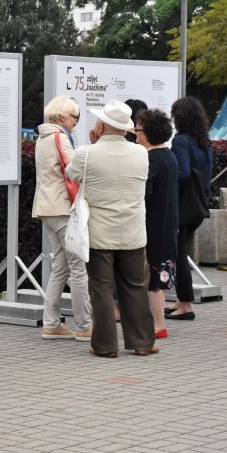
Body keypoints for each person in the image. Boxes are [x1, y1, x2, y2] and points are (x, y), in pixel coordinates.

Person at [66, 99, 155, 357]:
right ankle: (142, 343)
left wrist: (93, 145)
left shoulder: (86, 153)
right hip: (133, 231)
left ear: (102, 125)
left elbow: (71, 175)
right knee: (136, 285)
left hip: (98, 232)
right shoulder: (140, 153)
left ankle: (105, 346)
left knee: (101, 288)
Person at [33, 96, 92, 343]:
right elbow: (77, 167)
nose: (75, 122)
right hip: (63, 208)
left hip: (47, 207)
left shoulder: (43, 137)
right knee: (78, 268)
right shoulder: (59, 137)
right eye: (73, 117)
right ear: (61, 116)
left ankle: (51, 324)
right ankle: (84, 326)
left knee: (60, 266)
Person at [167, 96, 213, 321]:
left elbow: (183, 173)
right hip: (198, 205)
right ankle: (180, 301)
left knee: (178, 254)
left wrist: (168, 191)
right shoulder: (204, 142)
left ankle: (185, 304)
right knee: (181, 251)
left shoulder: (180, 141)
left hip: (183, 206)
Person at [135, 108, 178, 338]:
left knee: (154, 277)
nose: (135, 133)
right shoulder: (169, 156)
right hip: (168, 222)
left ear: (148, 132)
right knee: (160, 273)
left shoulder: (151, 159)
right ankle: (158, 324)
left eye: (138, 129)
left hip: (153, 224)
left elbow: (144, 193)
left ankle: (158, 326)